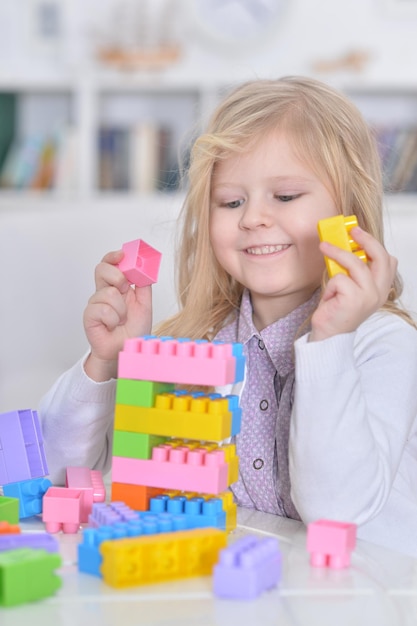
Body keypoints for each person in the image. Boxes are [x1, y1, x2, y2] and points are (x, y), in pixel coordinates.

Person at [39, 76, 417, 556]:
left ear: (349, 214)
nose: (252, 218)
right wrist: (107, 363)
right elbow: (55, 475)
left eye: (285, 196)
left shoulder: (384, 344)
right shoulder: (199, 346)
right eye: (231, 202)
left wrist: (330, 340)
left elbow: (337, 510)